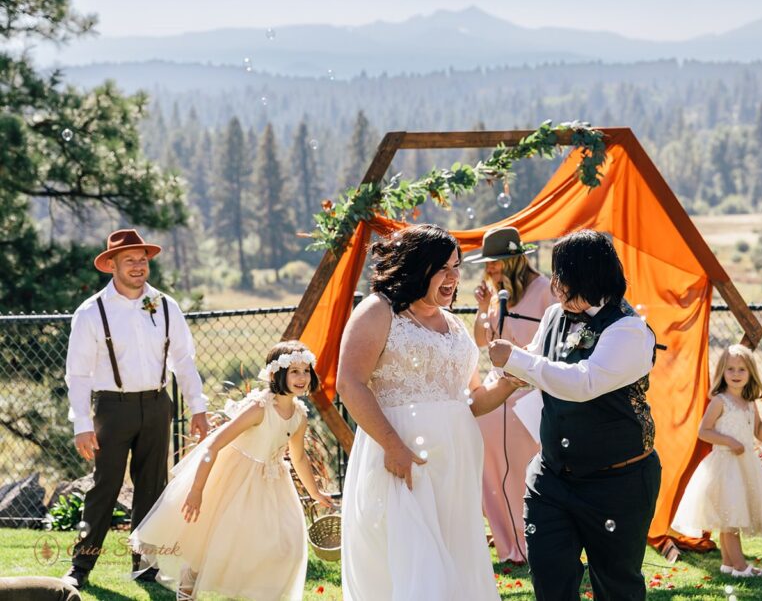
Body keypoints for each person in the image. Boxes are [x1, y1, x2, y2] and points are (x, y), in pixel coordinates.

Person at [337, 224, 522, 600]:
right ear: (417, 267)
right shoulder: (379, 311)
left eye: (457, 266)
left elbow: (470, 399)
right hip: (403, 458)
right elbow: (349, 383)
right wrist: (393, 446)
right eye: (444, 268)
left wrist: (507, 383)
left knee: (454, 558)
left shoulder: (453, 324)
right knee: (414, 561)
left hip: (455, 466)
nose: (455, 277)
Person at [488, 229, 660, 601]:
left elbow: (584, 383)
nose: (554, 285)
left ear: (587, 275)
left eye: (561, 275)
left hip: (618, 481)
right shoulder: (553, 316)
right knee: (550, 577)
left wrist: (518, 359)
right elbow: (540, 359)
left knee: (616, 585)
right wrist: (509, 373)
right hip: (551, 477)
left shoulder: (628, 330)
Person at [129, 340, 335, 600]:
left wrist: (315, 493)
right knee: (210, 540)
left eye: (306, 371)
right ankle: (188, 583)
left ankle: (263, 593)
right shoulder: (259, 409)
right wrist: (196, 490)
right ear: (276, 374)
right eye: (294, 371)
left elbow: (299, 457)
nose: (302, 377)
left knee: (285, 545)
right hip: (234, 478)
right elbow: (212, 446)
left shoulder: (299, 415)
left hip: (272, 484)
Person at [62, 229, 210, 590]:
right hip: (112, 408)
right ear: (111, 265)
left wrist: (198, 408)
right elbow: (78, 374)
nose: (138, 265)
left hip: (158, 405)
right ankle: (80, 568)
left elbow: (184, 361)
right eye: (129, 259)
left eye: (142, 259)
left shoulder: (165, 305)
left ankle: (144, 565)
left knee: (153, 488)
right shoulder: (91, 312)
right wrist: (82, 423)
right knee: (104, 487)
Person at [468, 226, 555, 564]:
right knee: (492, 470)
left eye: (496, 263)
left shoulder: (544, 290)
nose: (490, 269)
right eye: (487, 264)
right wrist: (482, 307)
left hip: (530, 395)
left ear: (515, 260)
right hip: (495, 394)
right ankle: (509, 548)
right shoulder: (498, 295)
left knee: (526, 470)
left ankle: (535, 541)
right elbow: (481, 341)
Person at [670, 344, 762, 577]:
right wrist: (729, 441)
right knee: (730, 518)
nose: (736, 374)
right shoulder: (720, 401)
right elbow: (704, 431)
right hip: (725, 465)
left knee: (731, 515)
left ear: (750, 373)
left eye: (741, 369)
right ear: (722, 372)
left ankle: (729, 564)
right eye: (730, 369)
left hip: (745, 465)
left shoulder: (750, 403)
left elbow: (759, 434)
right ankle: (741, 567)